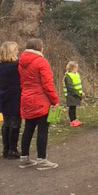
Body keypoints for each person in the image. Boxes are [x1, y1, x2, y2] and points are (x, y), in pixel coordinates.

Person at [18, 38, 59, 170]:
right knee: (42, 130)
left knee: (28, 129)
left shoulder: (21, 63)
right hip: (40, 99)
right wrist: (55, 100)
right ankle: (42, 159)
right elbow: (48, 85)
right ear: (39, 48)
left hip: (26, 98)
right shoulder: (41, 62)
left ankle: (24, 158)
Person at [0, 41, 21, 159]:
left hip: (2, 94)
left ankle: (6, 149)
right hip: (14, 96)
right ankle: (13, 149)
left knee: (7, 122)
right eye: (15, 50)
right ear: (11, 51)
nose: (17, 52)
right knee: (15, 122)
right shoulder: (16, 65)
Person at [63, 61, 83, 126]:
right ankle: (72, 121)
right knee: (71, 108)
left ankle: (75, 119)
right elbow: (70, 87)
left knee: (74, 107)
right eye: (76, 67)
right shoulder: (67, 77)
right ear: (73, 68)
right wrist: (77, 93)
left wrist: (80, 93)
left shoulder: (76, 74)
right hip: (71, 95)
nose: (77, 69)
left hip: (76, 94)